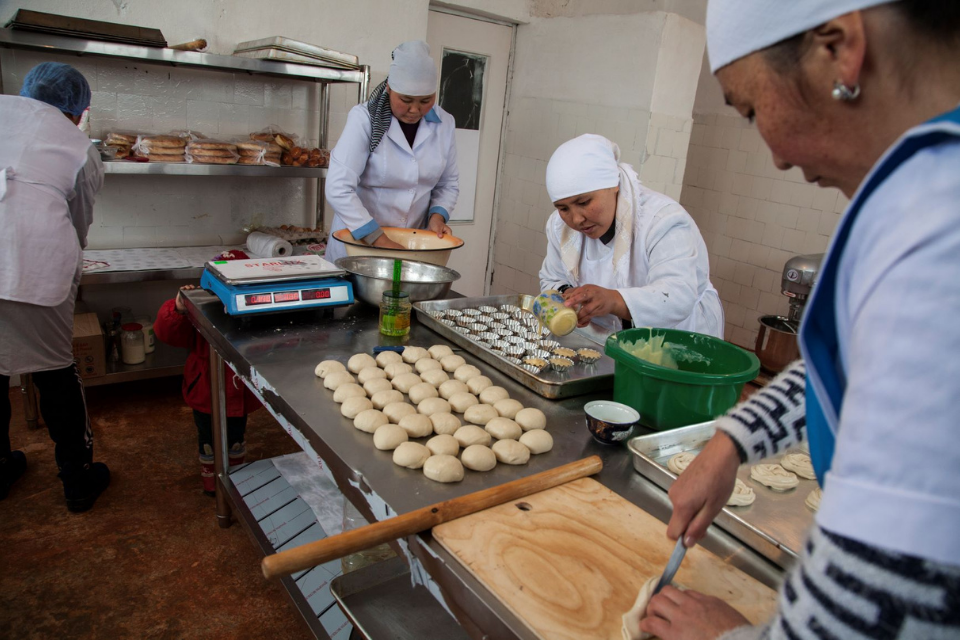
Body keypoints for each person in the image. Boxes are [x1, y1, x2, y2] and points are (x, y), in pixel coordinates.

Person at [636, 2, 960, 639]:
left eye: (752, 110)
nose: (777, 157)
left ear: (839, 49)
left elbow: (891, 609)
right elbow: (854, 374)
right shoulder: (922, 194)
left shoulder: (937, 237)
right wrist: (733, 440)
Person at [0, 62, 110, 512]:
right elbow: (79, 223)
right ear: (77, 110)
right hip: (35, 262)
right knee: (55, 371)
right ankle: (78, 479)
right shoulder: (79, 146)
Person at [539, 134, 724, 339]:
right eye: (563, 208)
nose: (576, 219)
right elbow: (552, 277)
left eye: (584, 203)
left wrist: (615, 300)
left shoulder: (662, 220)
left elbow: (677, 295)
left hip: (678, 336)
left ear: (613, 185)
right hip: (606, 336)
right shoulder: (559, 227)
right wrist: (571, 296)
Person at [325, 40, 459, 264]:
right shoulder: (364, 119)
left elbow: (448, 184)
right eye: (405, 100)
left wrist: (437, 217)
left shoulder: (444, 123)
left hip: (408, 248)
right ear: (389, 89)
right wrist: (379, 239)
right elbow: (338, 187)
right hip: (358, 246)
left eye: (425, 100)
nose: (415, 110)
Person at [154, 253, 261, 495]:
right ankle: (211, 483)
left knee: (235, 436)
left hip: (239, 390)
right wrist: (179, 307)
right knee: (208, 439)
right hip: (205, 389)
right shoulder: (201, 306)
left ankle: (235, 479)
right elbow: (167, 332)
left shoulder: (254, 305)